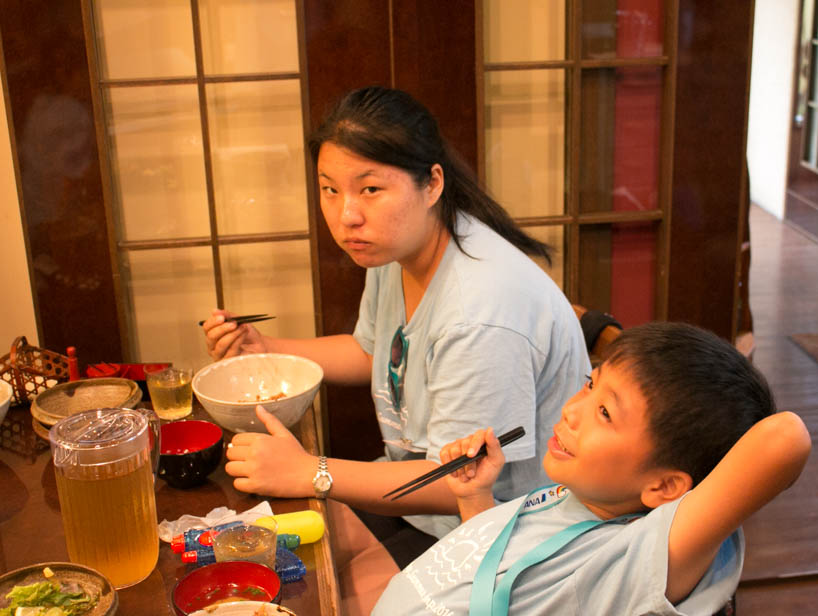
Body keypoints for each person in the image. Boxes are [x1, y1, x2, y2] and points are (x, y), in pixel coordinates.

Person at [202, 86, 590, 566]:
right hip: (420, 505)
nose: (347, 216)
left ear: (432, 184)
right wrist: (264, 348)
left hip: (500, 533)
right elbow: (371, 352)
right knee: (252, 548)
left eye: (370, 189)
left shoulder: (479, 312)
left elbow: (457, 485)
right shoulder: (399, 247)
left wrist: (311, 473)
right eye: (330, 189)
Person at [368, 322, 812, 616]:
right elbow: (505, 585)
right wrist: (475, 499)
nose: (571, 411)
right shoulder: (572, 497)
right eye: (589, 383)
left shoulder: (634, 561)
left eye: (604, 412)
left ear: (663, 486)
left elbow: (784, 438)